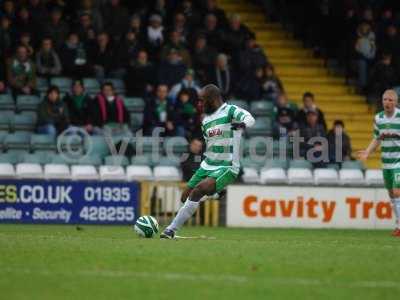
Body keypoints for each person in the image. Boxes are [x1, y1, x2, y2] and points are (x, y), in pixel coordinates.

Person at [160, 84, 255, 239]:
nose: (199, 103)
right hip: (207, 165)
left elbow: (250, 118)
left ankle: (171, 230)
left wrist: (242, 124)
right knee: (185, 197)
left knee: (198, 190)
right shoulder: (206, 120)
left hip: (227, 166)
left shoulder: (230, 110)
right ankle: (215, 194)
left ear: (213, 99)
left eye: (202, 100)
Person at [357, 89, 400, 237]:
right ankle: (398, 223)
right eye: (385, 100)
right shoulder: (378, 118)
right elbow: (377, 138)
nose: (387, 102)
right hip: (386, 162)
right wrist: (368, 152)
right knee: (391, 194)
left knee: (397, 191)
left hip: (398, 161)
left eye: (390, 100)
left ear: (396, 102)